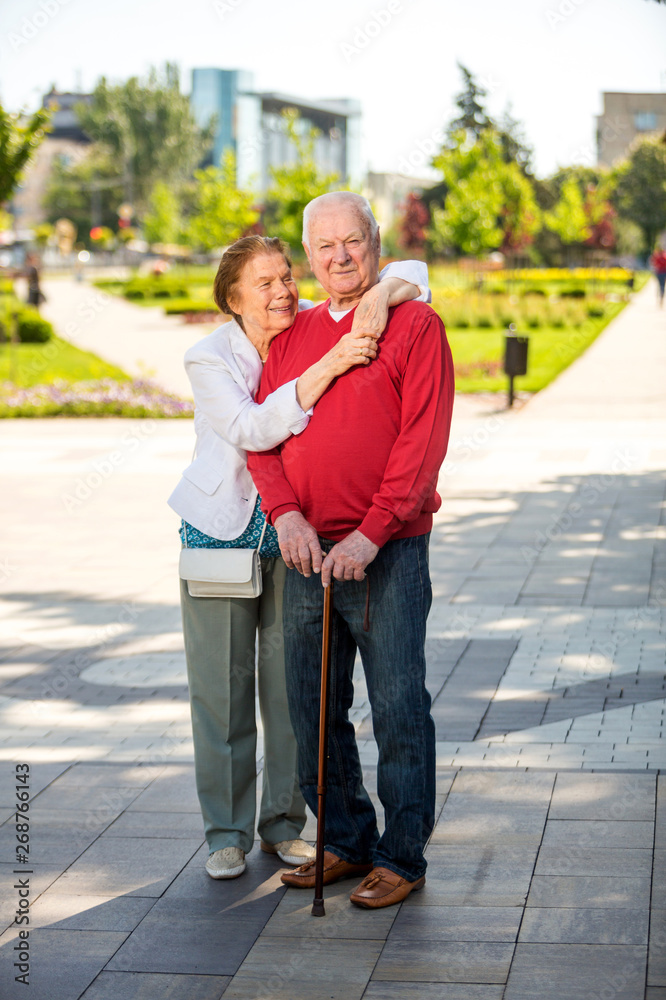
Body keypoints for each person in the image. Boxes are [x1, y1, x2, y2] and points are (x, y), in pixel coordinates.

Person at [168, 234, 430, 880]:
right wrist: (337, 361)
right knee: (222, 693)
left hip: (299, 543)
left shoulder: (308, 323)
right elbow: (256, 428)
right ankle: (224, 833)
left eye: (287, 276)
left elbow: (410, 273)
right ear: (232, 299)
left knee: (293, 694)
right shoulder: (209, 357)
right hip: (226, 533)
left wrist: (382, 297)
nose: (284, 290)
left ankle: (284, 823)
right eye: (265, 283)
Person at [247, 193, 454, 909]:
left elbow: (420, 445)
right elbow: (261, 436)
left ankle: (402, 854)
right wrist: (285, 517)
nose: (340, 256)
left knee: (397, 705)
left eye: (353, 241)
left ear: (375, 243)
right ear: (309, 257)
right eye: (325, 245)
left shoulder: (414, 324)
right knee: (313, 707)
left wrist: (372, 532)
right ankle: (341, 840)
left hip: (388, 553)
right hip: (307, 554)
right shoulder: (291, 336)